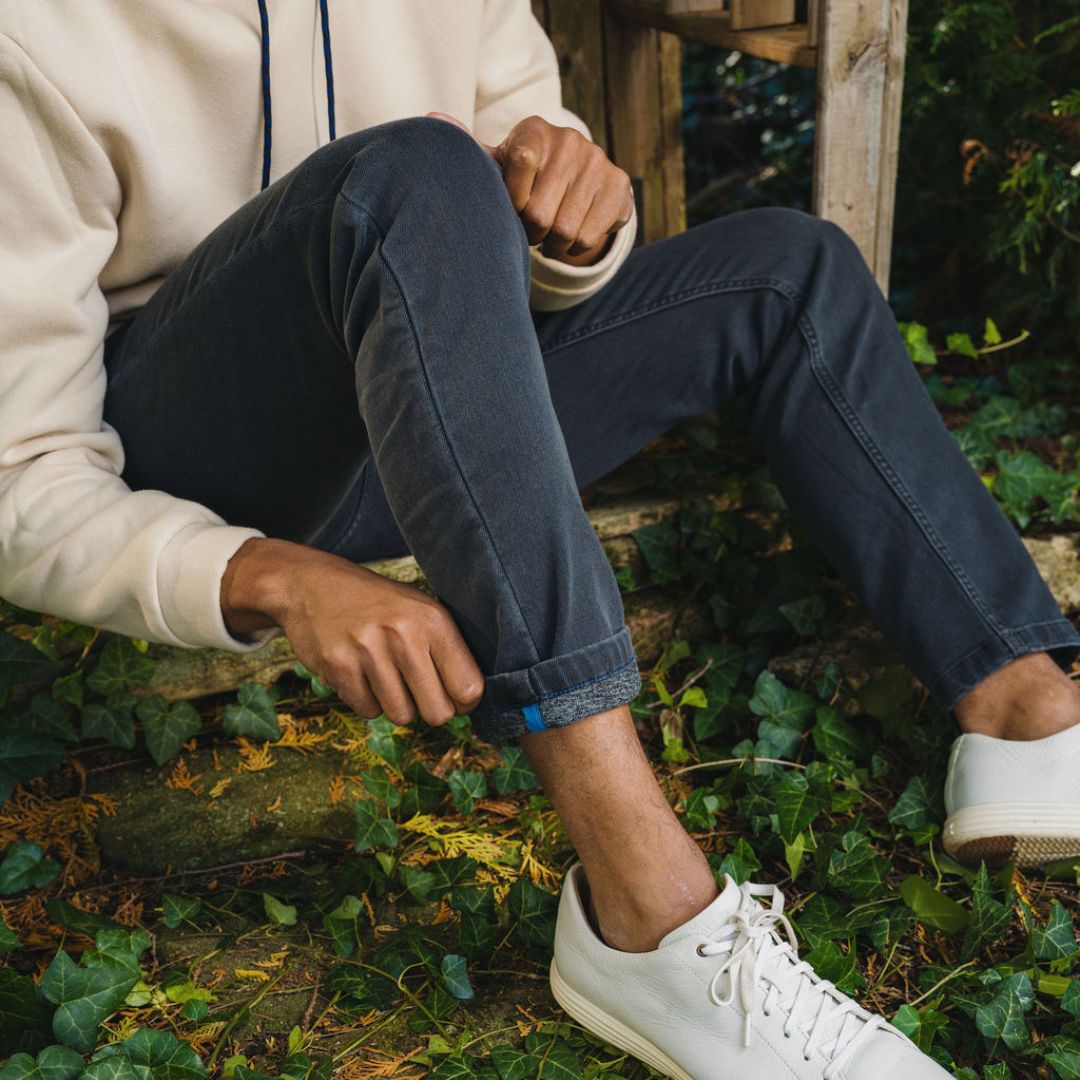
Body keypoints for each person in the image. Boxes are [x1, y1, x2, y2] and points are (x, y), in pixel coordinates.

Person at [2, 2, 1078, 1076]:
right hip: (209, 442)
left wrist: (580, 221)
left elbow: (522, 239)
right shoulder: (34, 32)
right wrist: (272, 574)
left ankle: (1025, 714)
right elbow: (25, 471)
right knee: (413, 168)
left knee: (785, 267)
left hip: (432, 395)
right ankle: (647, 913)